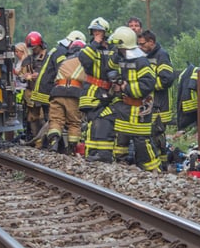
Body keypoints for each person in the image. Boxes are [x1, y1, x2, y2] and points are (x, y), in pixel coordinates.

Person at [104, 26, 161, 171]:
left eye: (119, 46)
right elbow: (109, 66)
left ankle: (154, 172)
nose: (118, 49)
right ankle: (121, 167)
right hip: (125, 107)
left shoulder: (141, 61)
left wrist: (124, 87)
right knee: (121, 139)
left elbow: (147, 85)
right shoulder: (122, 57)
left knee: (142, 142)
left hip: (138, 109)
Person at [29, 30, 84, 147]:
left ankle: (51, 143)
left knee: (55, 119)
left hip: (49, 90)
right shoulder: (62, 53)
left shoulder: (58, 49)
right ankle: (65, 147)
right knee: (65, 120)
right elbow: (64, 72)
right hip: (50, 90)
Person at [79, 17, 115, 162]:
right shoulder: (90, 48)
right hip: (93, 92)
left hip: (110, 92)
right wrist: (95, 43)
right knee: (93, 121)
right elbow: (84, 59)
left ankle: (104, 154)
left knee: (105, 122)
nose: (96, 34)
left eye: (99, 31)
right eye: (94, 31)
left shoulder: (112, 48)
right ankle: (92, 152)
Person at [137, 30, 174, 165]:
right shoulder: (144, 56)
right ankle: (156, 164)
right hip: (149, 104)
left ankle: (161, 166)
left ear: (151, 42)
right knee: (149, 136)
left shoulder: (161, 55)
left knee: (156, 137)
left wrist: (147, 86)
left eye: (142, 44)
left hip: (159, 106)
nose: (140, 47)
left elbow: (167, 80)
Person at [46, 38, 86, 154]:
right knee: (74, 122)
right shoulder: (83, 61)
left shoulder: (64, 60)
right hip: (73, 94)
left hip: (57, 92)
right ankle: (72, 148)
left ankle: (53, 143)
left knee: (56, 120)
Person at [21, 32, 47, 142]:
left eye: (35, 48)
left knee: (44, 117)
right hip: (31, 94)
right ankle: (37, 142)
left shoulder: (48, 58)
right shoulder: (28, 60)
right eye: (31, 48)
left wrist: (40, 75)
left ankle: (45, 142)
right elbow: (21, 76)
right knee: (32, 117)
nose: (33, 50)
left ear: (40, 45)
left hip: (44, 93)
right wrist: (25, 76)